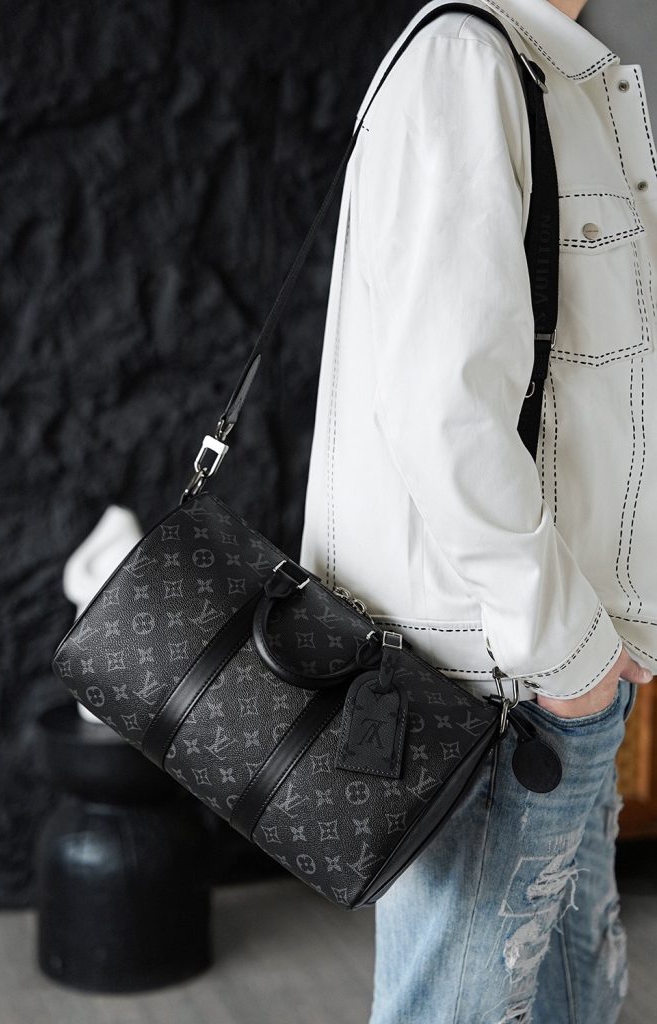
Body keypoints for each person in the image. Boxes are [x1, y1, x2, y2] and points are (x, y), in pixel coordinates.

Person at [298, 0, 657, 1019]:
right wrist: (571, 662)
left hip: (553, 666)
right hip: (499, 684)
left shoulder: (555, 69)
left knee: (574, 998)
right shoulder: (465, 63)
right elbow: (443, 416)